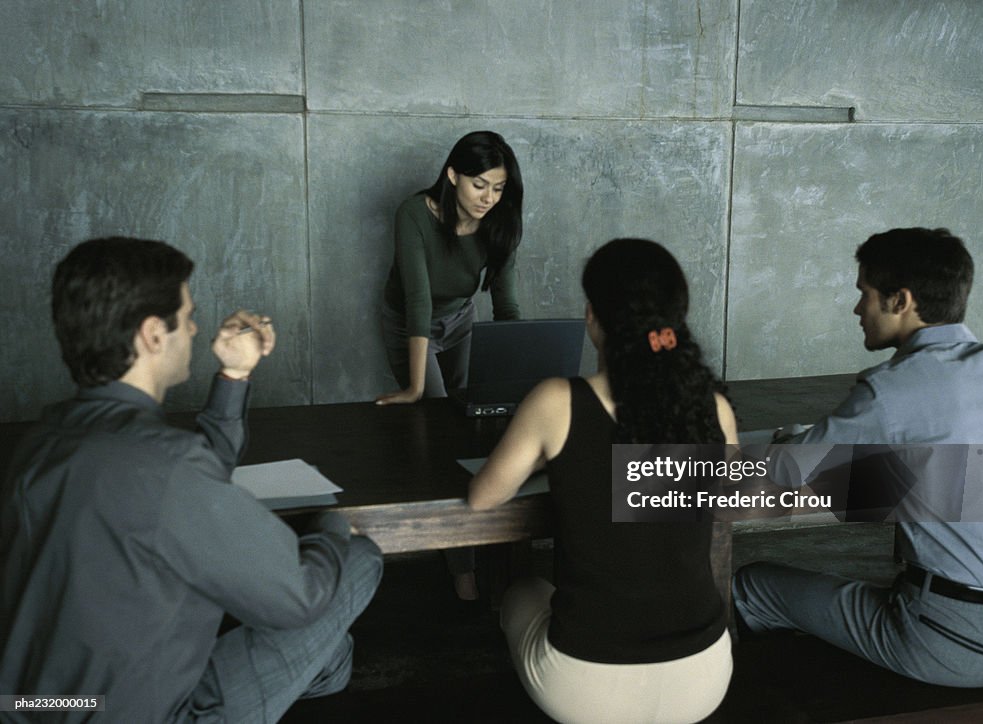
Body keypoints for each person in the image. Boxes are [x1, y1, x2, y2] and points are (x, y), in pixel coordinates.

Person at [0, 237, 383, 722]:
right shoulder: (165, 465)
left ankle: (325, 668)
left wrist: (235, 375)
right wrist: (330, 528)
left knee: (330, 659)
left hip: (40, 707)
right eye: (188, 315)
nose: (196, 328)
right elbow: (298, 597)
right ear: (153, 335)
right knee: (358, 560)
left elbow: (177, 482)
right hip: (144, 714)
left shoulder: (46, 439)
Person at [733, 228, 983, 686]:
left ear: (900, 300)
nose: (857, 309)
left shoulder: (893, 389)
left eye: (864, 294)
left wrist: (785, 442)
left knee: (752, 585)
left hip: (950, 641)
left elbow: (786, 471)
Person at [469, 238, 735, 723]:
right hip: (704, 677)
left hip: (589, 689)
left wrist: (557, 457)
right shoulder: (714, 409)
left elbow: (484, 497)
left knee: (521, 591)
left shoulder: (557, 401)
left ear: (592, 316)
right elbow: (721, 497)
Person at [376, 130, 523, 600]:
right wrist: (415, 389)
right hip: (407, 325)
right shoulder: (414, 214)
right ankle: (461, 567)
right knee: (438, 433)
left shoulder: (500, 222)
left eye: (498, 188)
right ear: (453, 174)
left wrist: (517, 377)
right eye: (480, 184)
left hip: (461, 320)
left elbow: (507, 305)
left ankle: (488, 549)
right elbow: (417, 301)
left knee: (475, 430)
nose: (489, 198)